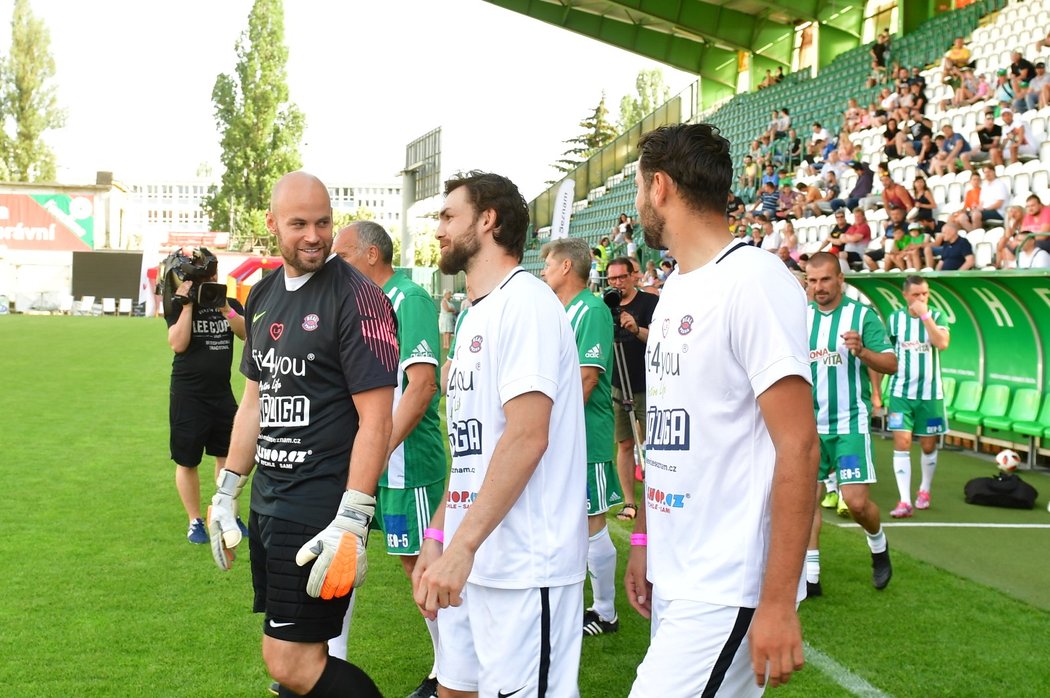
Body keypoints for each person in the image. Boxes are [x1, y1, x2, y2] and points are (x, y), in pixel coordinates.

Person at [625, 122, 818, 696]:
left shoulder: (753, 279)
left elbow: (799, 444)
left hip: (726, 581)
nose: (638, 203)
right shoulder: (677, 289)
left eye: (639, 188)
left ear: (659, 187)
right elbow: (666, 438)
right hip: (679, 570)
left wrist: (778, 602)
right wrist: (645, 546)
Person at [206, 171, 397, 697]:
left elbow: (377, 420)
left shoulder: (359, 298)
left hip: (320, 505)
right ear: (272, 224)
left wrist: (353, 519)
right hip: (268, 501)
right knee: (289, 658)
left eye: (322, 222)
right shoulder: (265, 293)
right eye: (298, 224)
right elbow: (253, 403)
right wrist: (226, 492)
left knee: (291, 661)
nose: (313, 235)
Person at [413, 171, 587, 698]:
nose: (439, 229)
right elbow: (472, 451)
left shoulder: (527, 303)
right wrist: (439, 535)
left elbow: (527, 437)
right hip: (473, 559)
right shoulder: (475, 313)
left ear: (487, 221)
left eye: (448, 216)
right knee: (455, 689)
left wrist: (460, 546)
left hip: (524, 567)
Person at [333, 220, 446, 698]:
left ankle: (453, 672)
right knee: (341, 548)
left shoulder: (410, 299)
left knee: (421, 566)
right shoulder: (364, 304)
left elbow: (421, 385)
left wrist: (380, 449)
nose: (336, 265)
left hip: (407, 462)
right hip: (371, 458)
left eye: (344, 256)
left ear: (372, 255)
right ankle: (326, 669)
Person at [541, 237, 623, 637]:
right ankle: (578, 603)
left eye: (549, 265)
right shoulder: (560, 310)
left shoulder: (590, 310)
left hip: (585, 437)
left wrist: (550, 426)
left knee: (591, 520)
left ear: (567, 268)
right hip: (562, 436)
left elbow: (587, 379)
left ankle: (606, 611)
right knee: (569, 521)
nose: (544, 271)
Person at [804, 252, 897, 597]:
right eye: (812, 281)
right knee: (807, 500)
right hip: (810, 425)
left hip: (849, 425)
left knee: (856, 503)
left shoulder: (861, 316)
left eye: (825, 280)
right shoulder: (800, 317)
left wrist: (862, 353)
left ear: (840, 279)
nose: (819, 288)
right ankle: (811, 576)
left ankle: (878, 544)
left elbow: (890, 363)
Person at [165, 247, 247, 544]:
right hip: (188, 394)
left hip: (220, 393)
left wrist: (225, 307)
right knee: (187, 461)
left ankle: (227, 512)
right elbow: (177, 344)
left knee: (228, 456)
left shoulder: (229, 302)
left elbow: (245, 333)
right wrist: (187, 306)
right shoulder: (178, 305)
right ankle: (195, 521)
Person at [885, 276, 951, 517]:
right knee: (901, 442)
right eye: (916, 295)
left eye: (925, 294)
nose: (921, 298)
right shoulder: (895, 320)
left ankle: (924, 489)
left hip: (931, 395)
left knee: (927, 444)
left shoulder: (938, 316)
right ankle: (904, 501)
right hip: (900, 393)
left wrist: (925, 317)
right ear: (905, 296)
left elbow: (942, 343)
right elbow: (885, 351)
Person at [604, 256, 660, 523]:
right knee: (625, 445)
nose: (617, 283)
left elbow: (662, 339)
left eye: (621, 277)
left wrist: (636, 329)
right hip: (617, 386)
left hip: (647, 386)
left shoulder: (650, 303)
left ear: (633, 276)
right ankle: (629, 501)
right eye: (612, 279)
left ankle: (656, 498)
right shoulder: (605, 306)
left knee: (656, 446)